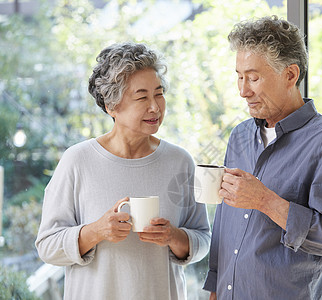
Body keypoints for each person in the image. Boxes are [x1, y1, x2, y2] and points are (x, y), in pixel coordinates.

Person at [36, 42, 211, 300]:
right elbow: (47, 246)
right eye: (142, 97)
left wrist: (173, 237)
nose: (155, 107)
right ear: (112, 106)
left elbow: (203, 239)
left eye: (159, 94)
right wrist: (96, 231)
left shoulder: (180, 161)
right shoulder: (78, 160)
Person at [203, 16, 322, 299]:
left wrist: (265, 201)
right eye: (239, 76)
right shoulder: (239, 136)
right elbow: (225, 220)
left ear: (290, 75)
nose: (242, 91)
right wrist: (214, 287)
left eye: (253, 77)